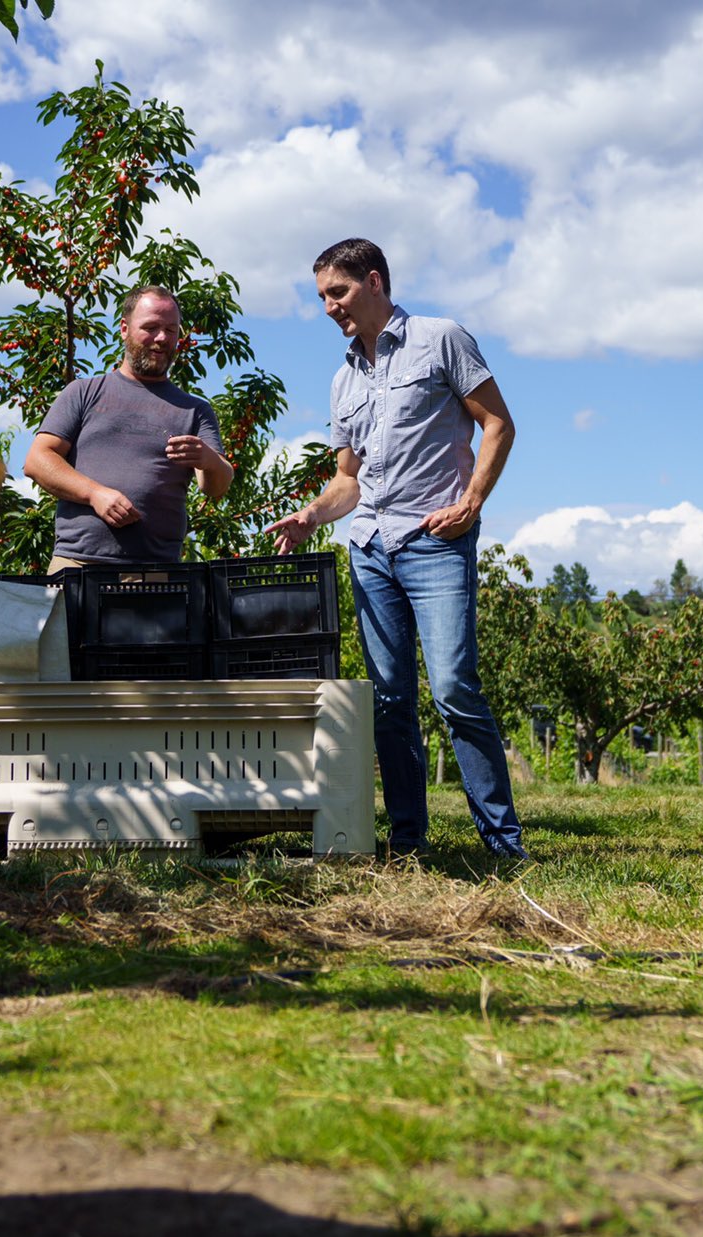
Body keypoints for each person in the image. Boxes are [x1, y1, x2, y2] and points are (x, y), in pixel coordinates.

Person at [266, 237, 525, 860]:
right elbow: (347, 481)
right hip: (369, 548)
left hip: (435, 542)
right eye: (323, 296)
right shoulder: (342, 379)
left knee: (455, 688)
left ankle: (502, 843)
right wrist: (310, 515)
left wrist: (471, 502)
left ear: (375, 281)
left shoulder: (441, 339)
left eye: (339, 291)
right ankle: (408, 841)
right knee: (388, 699)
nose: (330, 307)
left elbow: (497, 423)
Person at [25, 286, 233, 570]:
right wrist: (94, 494)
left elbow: (216, 487)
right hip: (77, 565)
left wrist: (209, 461)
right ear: (124, 328)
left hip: (157, 574)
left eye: (171, 330)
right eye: (150, 327)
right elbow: (37, 460)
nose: (161, 338)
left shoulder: (195, 410)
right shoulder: (83, 392)